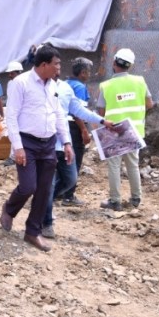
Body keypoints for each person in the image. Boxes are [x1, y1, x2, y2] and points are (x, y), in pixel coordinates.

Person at [0, 44, 71, 253]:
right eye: (56, 64)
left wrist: (66, 142)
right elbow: (11, 116)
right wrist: (18, 147)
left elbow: (58, 115)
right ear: (44, 64)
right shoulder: (21, 83)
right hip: (27, 142)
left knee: (44, 190)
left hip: (48, 143)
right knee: (29, 186)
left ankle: (33, 231)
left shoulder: (53, 86)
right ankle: (9, 209)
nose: (59, 68)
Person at [41, 73, 113, 237]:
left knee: (70, 179)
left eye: (59, 64)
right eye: (55, 64)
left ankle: (44, 201)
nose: (58, 68)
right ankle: (46, 222)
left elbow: (79, 110)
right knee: (49, 185)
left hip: (64, 143)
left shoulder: (65, 88)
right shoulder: (32, 87)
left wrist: (102, 121)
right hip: (44, 144)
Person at [98, 48, 154, 211]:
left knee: (114, 166)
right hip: (134, 130)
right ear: (130, 65)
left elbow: (101, 112)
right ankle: (136, 198)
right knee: (133, 165)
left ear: (114, 63)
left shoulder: (106, 86)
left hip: (114, 130)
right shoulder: (140, 81)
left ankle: (115, 201)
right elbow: (149, 104)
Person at [61, 57, 93, 206]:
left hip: (63, 126)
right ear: (82, 73)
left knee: (63, 160)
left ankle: (59, 192)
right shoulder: (80, 87)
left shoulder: (65, 84)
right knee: (75, 159)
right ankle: (69, 195)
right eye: (88, 72)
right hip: (74, 126)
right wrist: (84, 130)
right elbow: (77, 112)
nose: (89, 75)